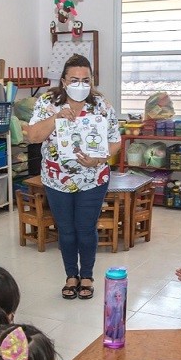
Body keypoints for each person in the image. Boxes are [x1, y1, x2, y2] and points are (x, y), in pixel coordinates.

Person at [25, 54, 122, 301]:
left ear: (92, 80)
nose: (80, 84)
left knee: (86, 228)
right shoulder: (48, 102)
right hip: (57, 179)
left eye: (86, 79)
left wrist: (99, 160)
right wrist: (56, 117)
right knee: (66, 230)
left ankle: (87, 276)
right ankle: (71, 276)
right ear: (64, 81)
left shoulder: (101, 105)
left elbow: (115, 142)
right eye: (74, 79)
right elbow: (34, 136)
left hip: (93, 178)